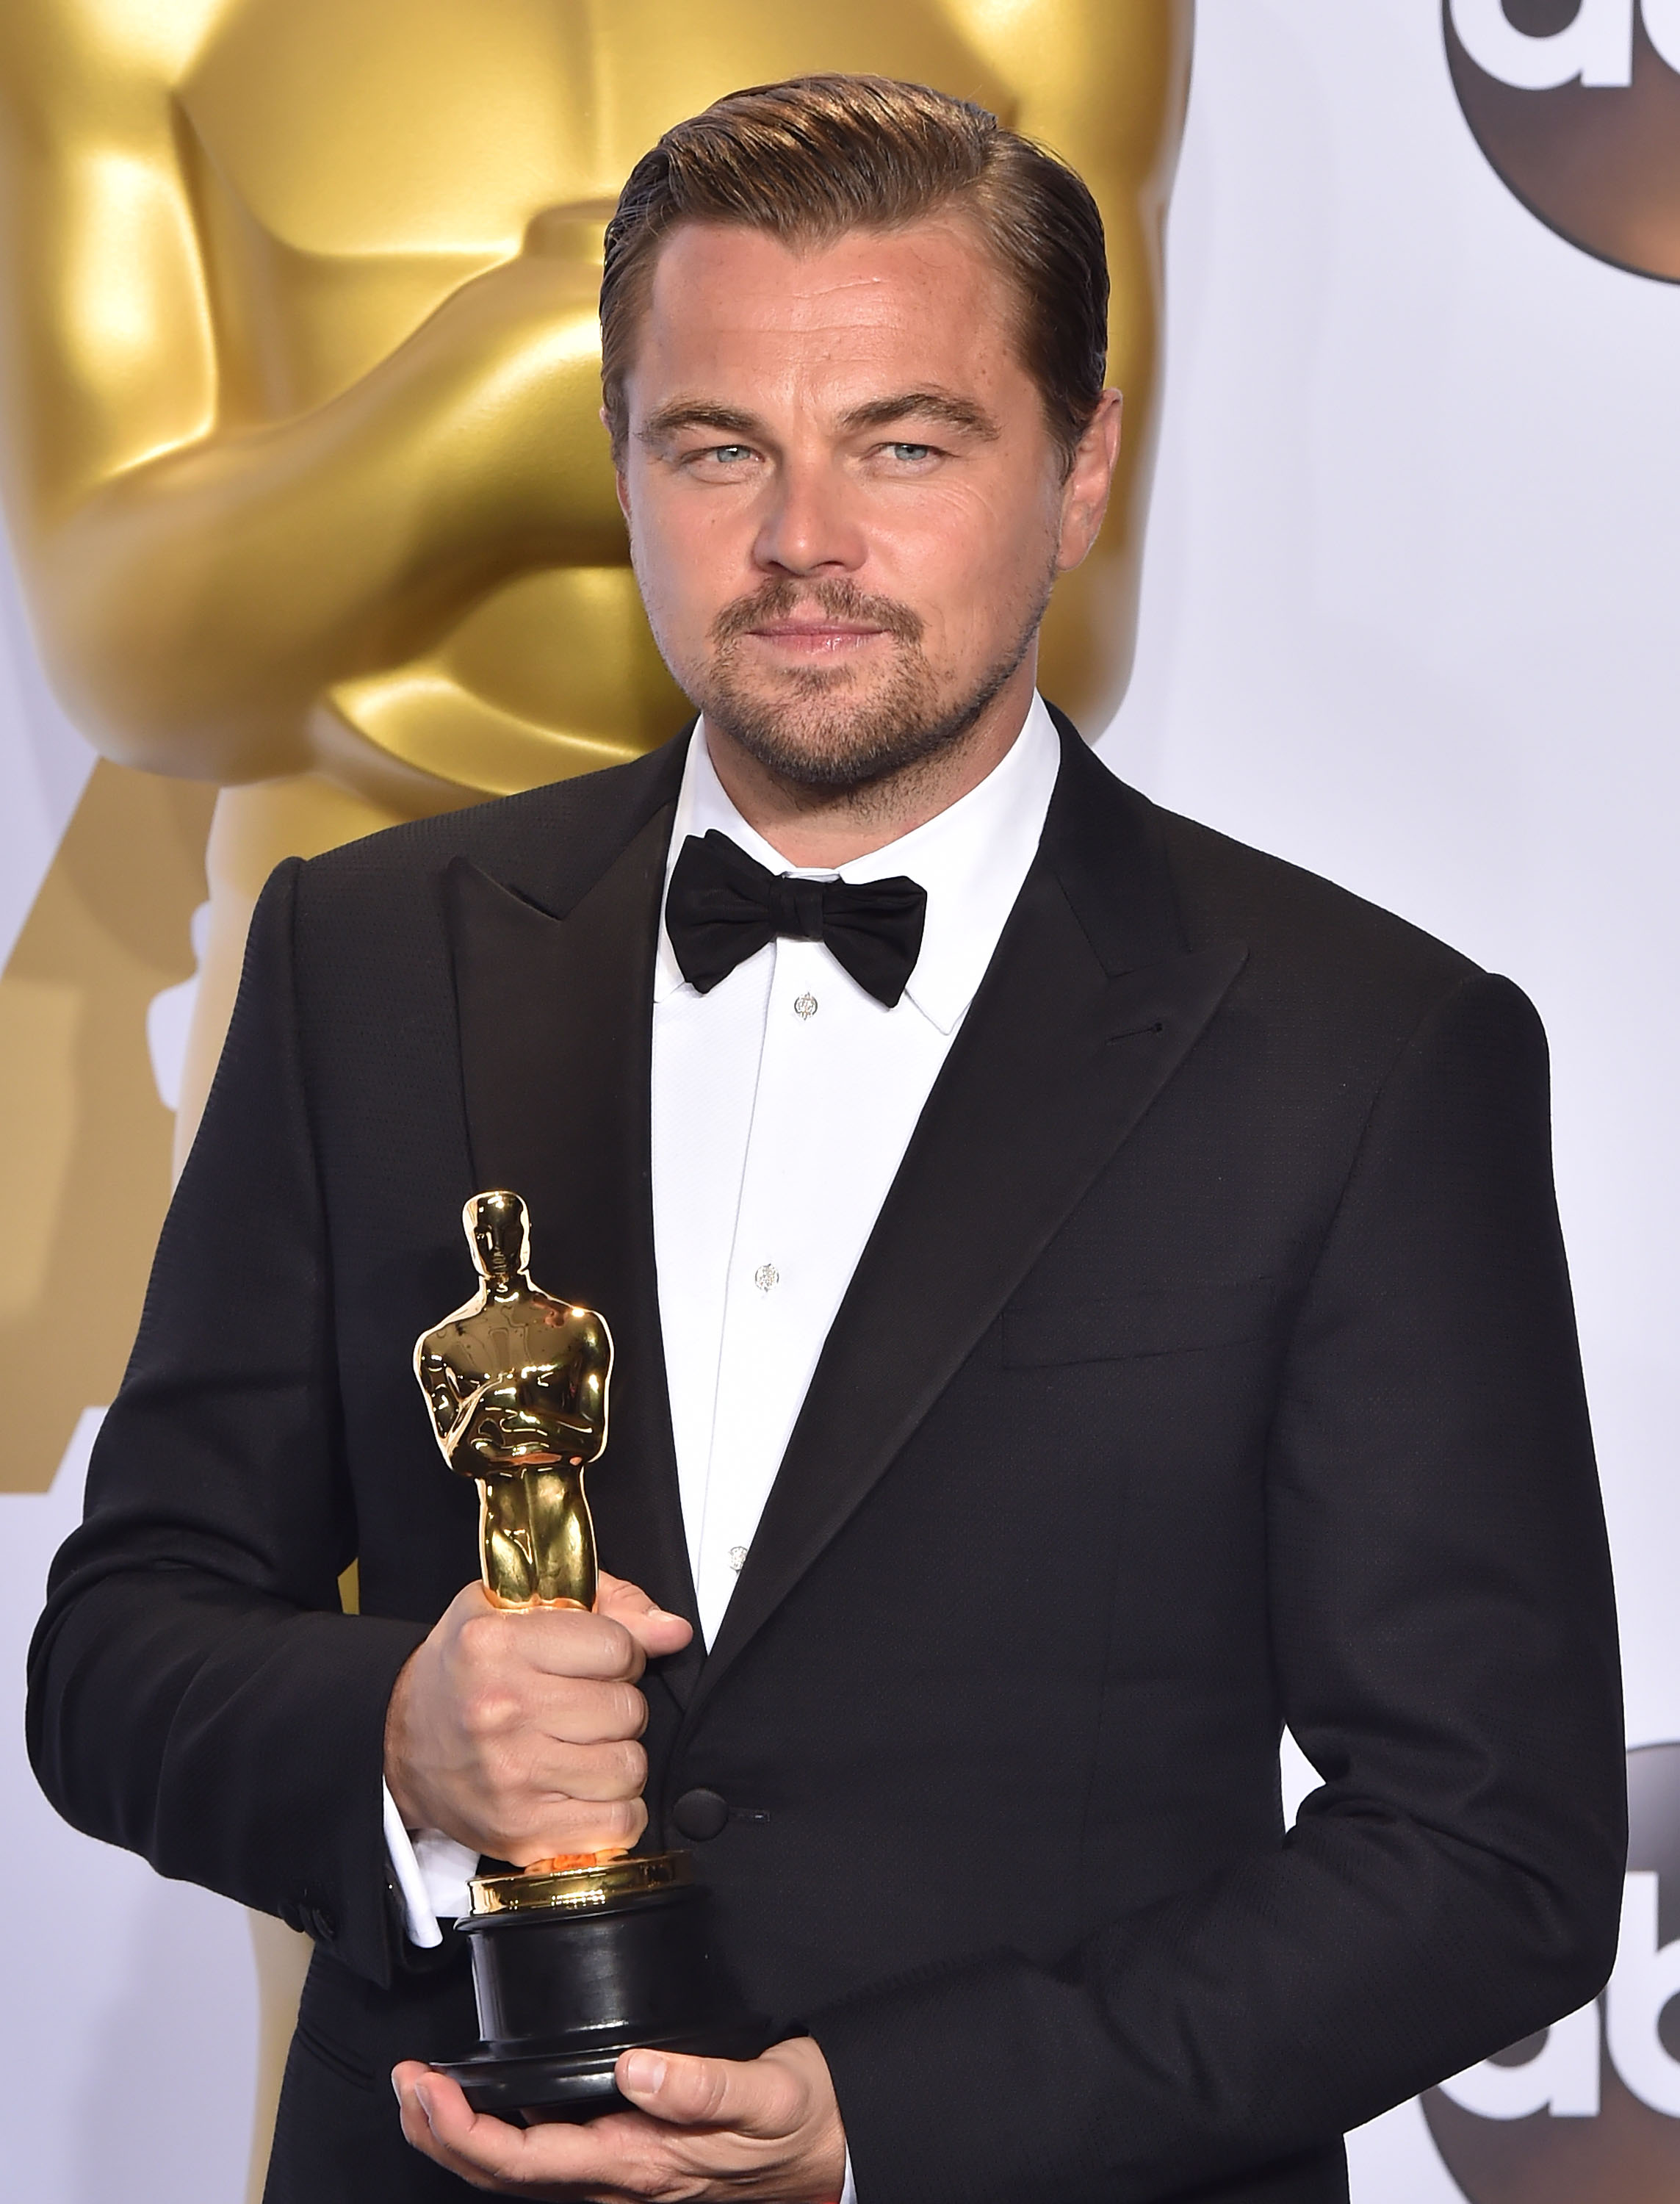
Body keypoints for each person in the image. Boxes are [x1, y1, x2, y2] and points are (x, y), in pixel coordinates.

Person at [27, 75, 1625, 2204]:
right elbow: (125, 1642)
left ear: (1080, 472)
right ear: (624, 469)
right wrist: (395, 1748)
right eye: (718, 449)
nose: (802, 544)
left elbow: (1488, 1853)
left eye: (905, 442)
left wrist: (892, 2128)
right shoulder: (369, 954)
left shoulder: (1363, 1052)